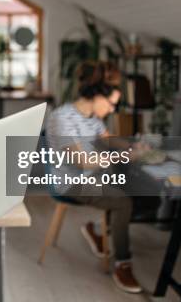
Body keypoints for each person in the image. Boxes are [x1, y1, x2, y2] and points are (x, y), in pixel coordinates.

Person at [45, 60, 143, 293]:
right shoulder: (62, 118)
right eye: (111, 104)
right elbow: (81, 161)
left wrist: (136, 147)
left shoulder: (93, 118)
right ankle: (123, 263)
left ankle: (97, 230)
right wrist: (123, 157)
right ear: (98, 95)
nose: (112, 110)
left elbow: (108, 140)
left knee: (139, 188)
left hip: (94, 176)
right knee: (122, 202)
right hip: (72, 183)